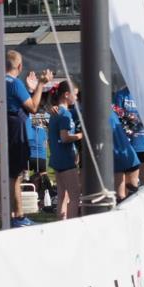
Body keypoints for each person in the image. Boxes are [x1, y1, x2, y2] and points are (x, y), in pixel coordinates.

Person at [0, 51, 52, 228]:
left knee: (0, 172)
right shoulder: (14, 83)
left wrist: (29, 90)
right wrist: (40, 85)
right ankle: (18, 216)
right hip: (15, 131)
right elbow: (32, 107)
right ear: (20, 66)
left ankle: (4, 214)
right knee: (14, 176)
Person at [48, 82, 82, 220]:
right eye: (75, 94)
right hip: (66, 159)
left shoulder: (58, 112)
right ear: (67, 95)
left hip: (57, 158)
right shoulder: (65, 114)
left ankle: (61, 223)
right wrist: (81, 135)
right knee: (74, 196)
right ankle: (71, 225)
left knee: (63, 194)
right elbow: (65, 137)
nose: (77, 97)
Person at [113, 85, 144, 185]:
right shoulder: (120, 95)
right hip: (128, 143)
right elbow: (117, 116)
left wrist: (142, 120)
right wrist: (129, 120)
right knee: (129, 179)